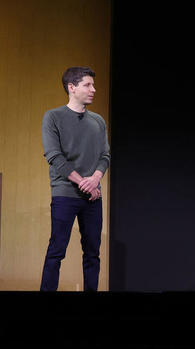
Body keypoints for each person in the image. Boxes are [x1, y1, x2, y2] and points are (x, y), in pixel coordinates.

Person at [40, 66, 110, 291]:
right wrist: (85, 183)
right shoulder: (53, 117)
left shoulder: (98, 121)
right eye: (88, 85)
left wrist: (96, 178)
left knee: (92, 253)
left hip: (92, 197)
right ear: (72, 87)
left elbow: (105, 155)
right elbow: (54, 157)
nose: (94, 90)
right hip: (65, 194)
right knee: (57, 250)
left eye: (93, 85)